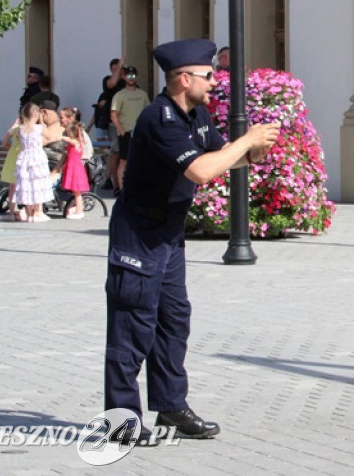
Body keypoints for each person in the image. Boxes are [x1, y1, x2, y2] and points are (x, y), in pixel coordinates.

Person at [104, 38, 280, 441]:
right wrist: (245, 142)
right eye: (207, 75)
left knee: (172, 322)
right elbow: (201, 172)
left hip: (168, 235)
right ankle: (120, 421)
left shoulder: (196, 115)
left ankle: (171, 408)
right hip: (139, 235)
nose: (215, 80)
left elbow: (223, 156)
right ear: (184, 78)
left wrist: (255, 151)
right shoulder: (158, 118)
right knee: (133, 327)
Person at [110, 66, 150, 193]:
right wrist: (121, 130)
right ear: (124, 77)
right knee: (124, 161)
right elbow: (114, 115)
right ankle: (122, 190)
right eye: (128, 76)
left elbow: (148, 111)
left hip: (140, 133)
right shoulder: (119, 95)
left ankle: (139, 188)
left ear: (136, 77)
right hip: (126, 133)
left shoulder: (142, 94)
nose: (131, 78)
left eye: (133, 76)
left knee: (141, 161)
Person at [13, 103, 55, 223]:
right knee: (38, 183)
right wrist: (42, 122)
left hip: (25, 156)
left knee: (26, 183)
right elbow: (50, 136)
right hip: (37, 157)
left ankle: (29, 213)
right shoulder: (39, 128)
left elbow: (18, 140)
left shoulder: (20, 129)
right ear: (37, 114)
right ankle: (37, 212)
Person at [89, 58, 126, 190]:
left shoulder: (126, 82)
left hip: (127, 122)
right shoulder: (108, 81)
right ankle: (113, 182)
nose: (118, 71)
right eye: (115, 69)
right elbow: (111, 83)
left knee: (122, 153)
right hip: (113, 122)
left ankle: (110, 177)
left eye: (120, 69)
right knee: (116, 151)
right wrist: (119, 67)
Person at [60, 111, 91, 219]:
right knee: (75, 192)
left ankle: (79, 211)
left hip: (75, 169)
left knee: (77, 192)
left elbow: (70, 140)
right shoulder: (74, 143)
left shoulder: (76, 143)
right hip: (73, 168)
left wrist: (60, 136)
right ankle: (76, 209)